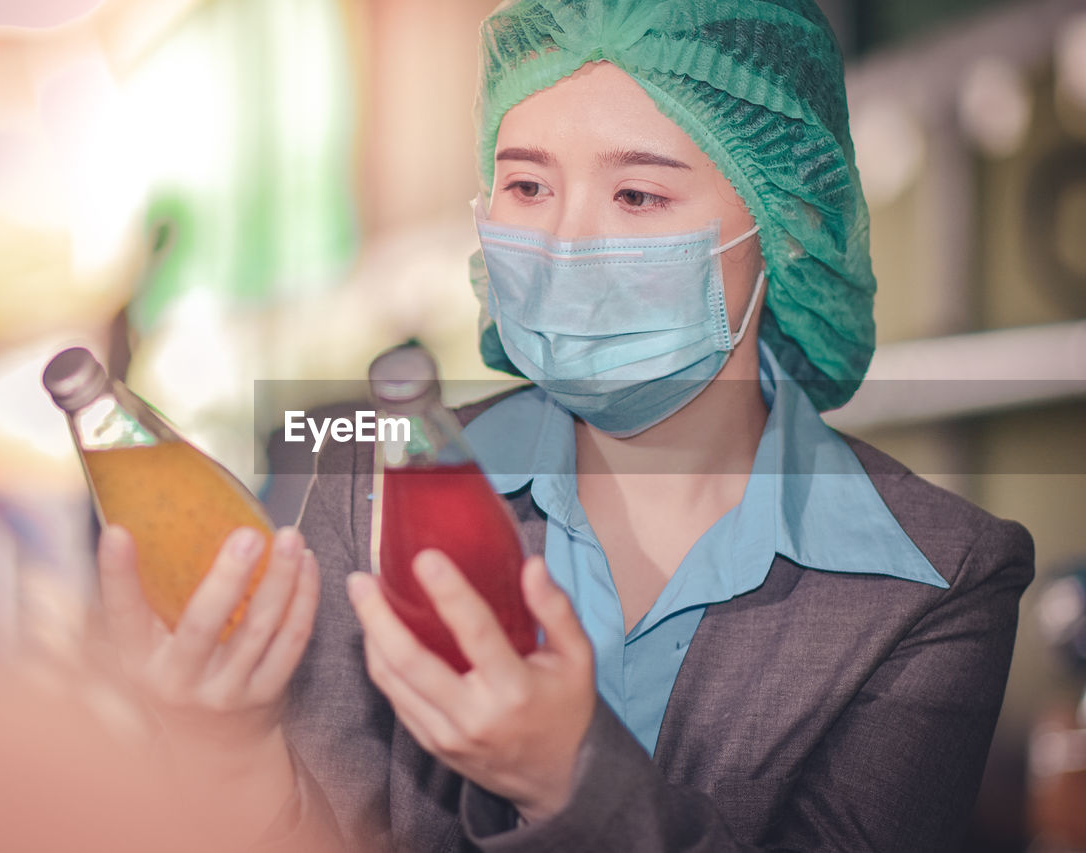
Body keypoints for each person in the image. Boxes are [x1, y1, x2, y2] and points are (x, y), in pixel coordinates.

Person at [97, 1, 1034, 851]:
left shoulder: (937, 581)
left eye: (638, 195)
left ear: (783, 228)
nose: (564, 244)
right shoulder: (375, 490)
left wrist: (568, 782)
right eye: (529, 188)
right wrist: (229, 753)